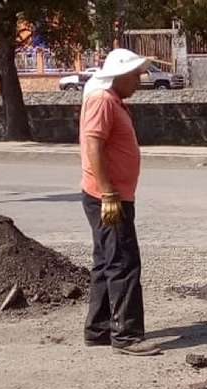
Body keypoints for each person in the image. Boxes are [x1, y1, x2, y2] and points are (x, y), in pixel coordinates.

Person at [79, 49, 160, 357]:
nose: (138, 83)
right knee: (124, 262)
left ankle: (98, 328)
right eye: (135, 77)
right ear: (121, 75)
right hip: (108, 197)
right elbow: (94, 146)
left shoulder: (113, 101)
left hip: (111, 194)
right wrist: (108, 193)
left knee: (106, 262)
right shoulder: (102, 100)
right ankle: (126, 335)